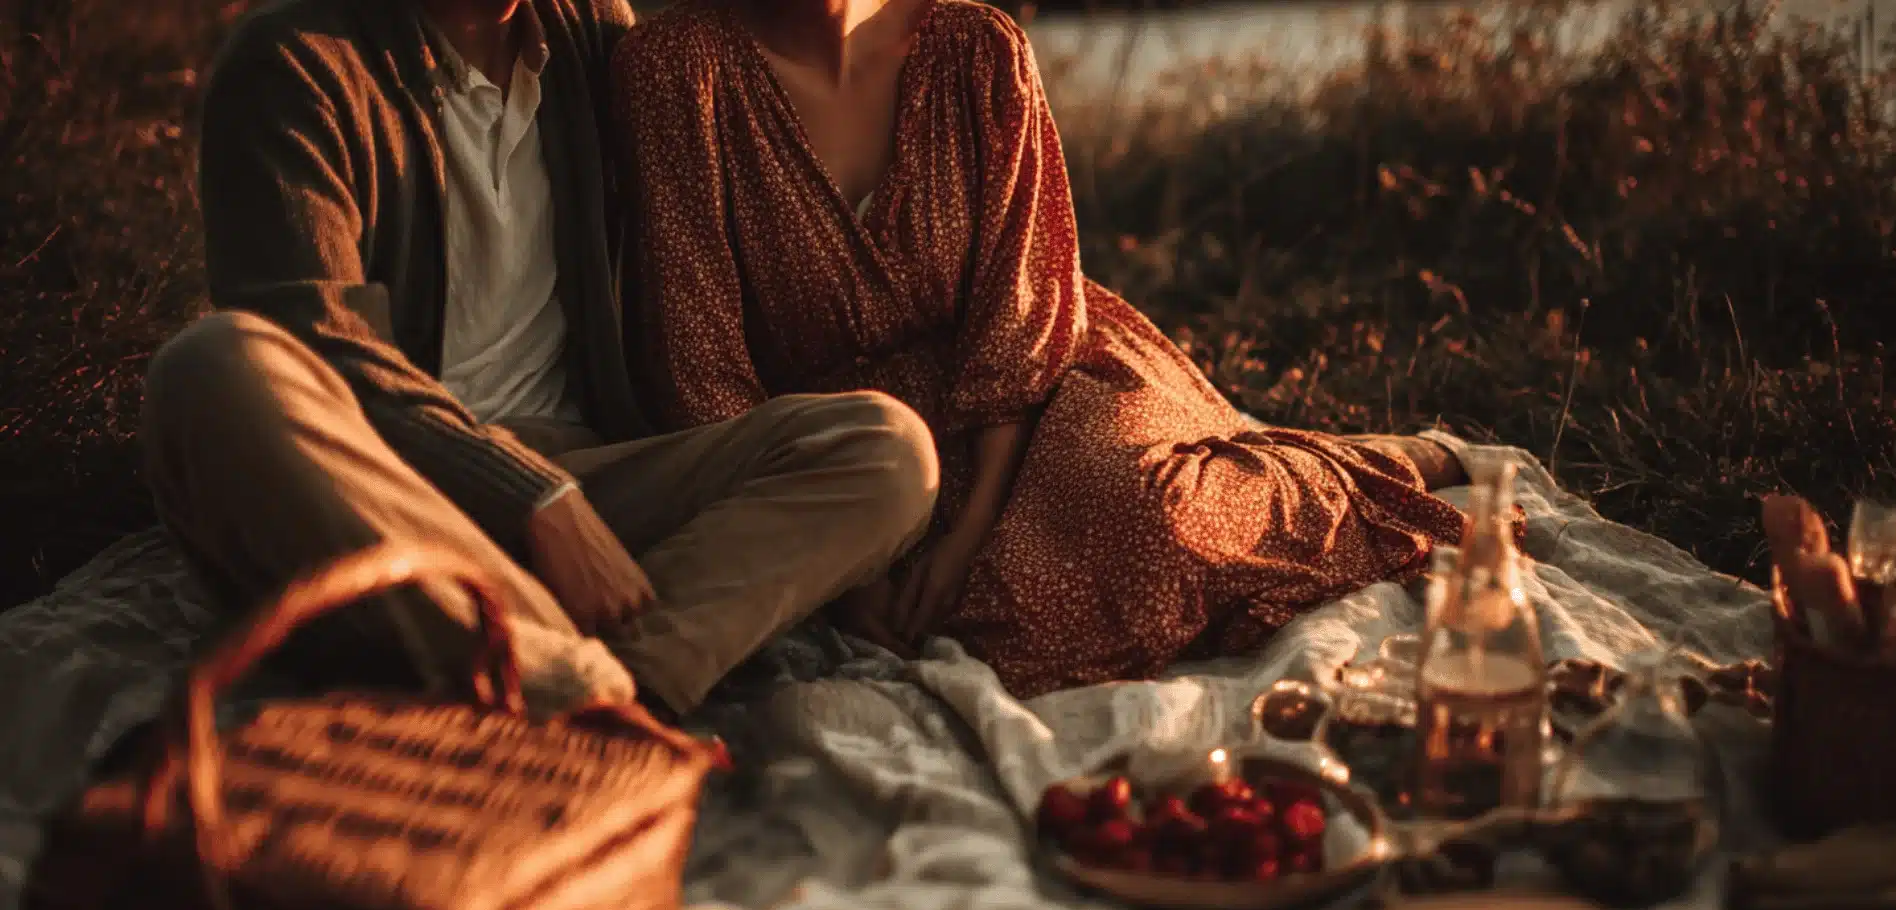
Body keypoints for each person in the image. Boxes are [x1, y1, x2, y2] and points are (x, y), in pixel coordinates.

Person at [609, 0, 1474, 699]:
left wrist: (969, 527)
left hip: (1039, 379)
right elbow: (701, 359)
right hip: (848, 449)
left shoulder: (979, 50)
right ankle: (1278, 460)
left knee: (1148, 522)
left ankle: (1360, 468)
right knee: (1005, 617)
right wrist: (835, 563)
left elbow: (1023, 306)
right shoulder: (677, 73)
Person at [141, 0, 941, 722]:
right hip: (384, 492)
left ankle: (600, 679)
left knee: (884, 448)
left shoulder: (594, 35)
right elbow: (319, 343)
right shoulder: (295, 61)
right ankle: (570, 682)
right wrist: (533, 496)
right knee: (212, 364)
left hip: (593, 480)